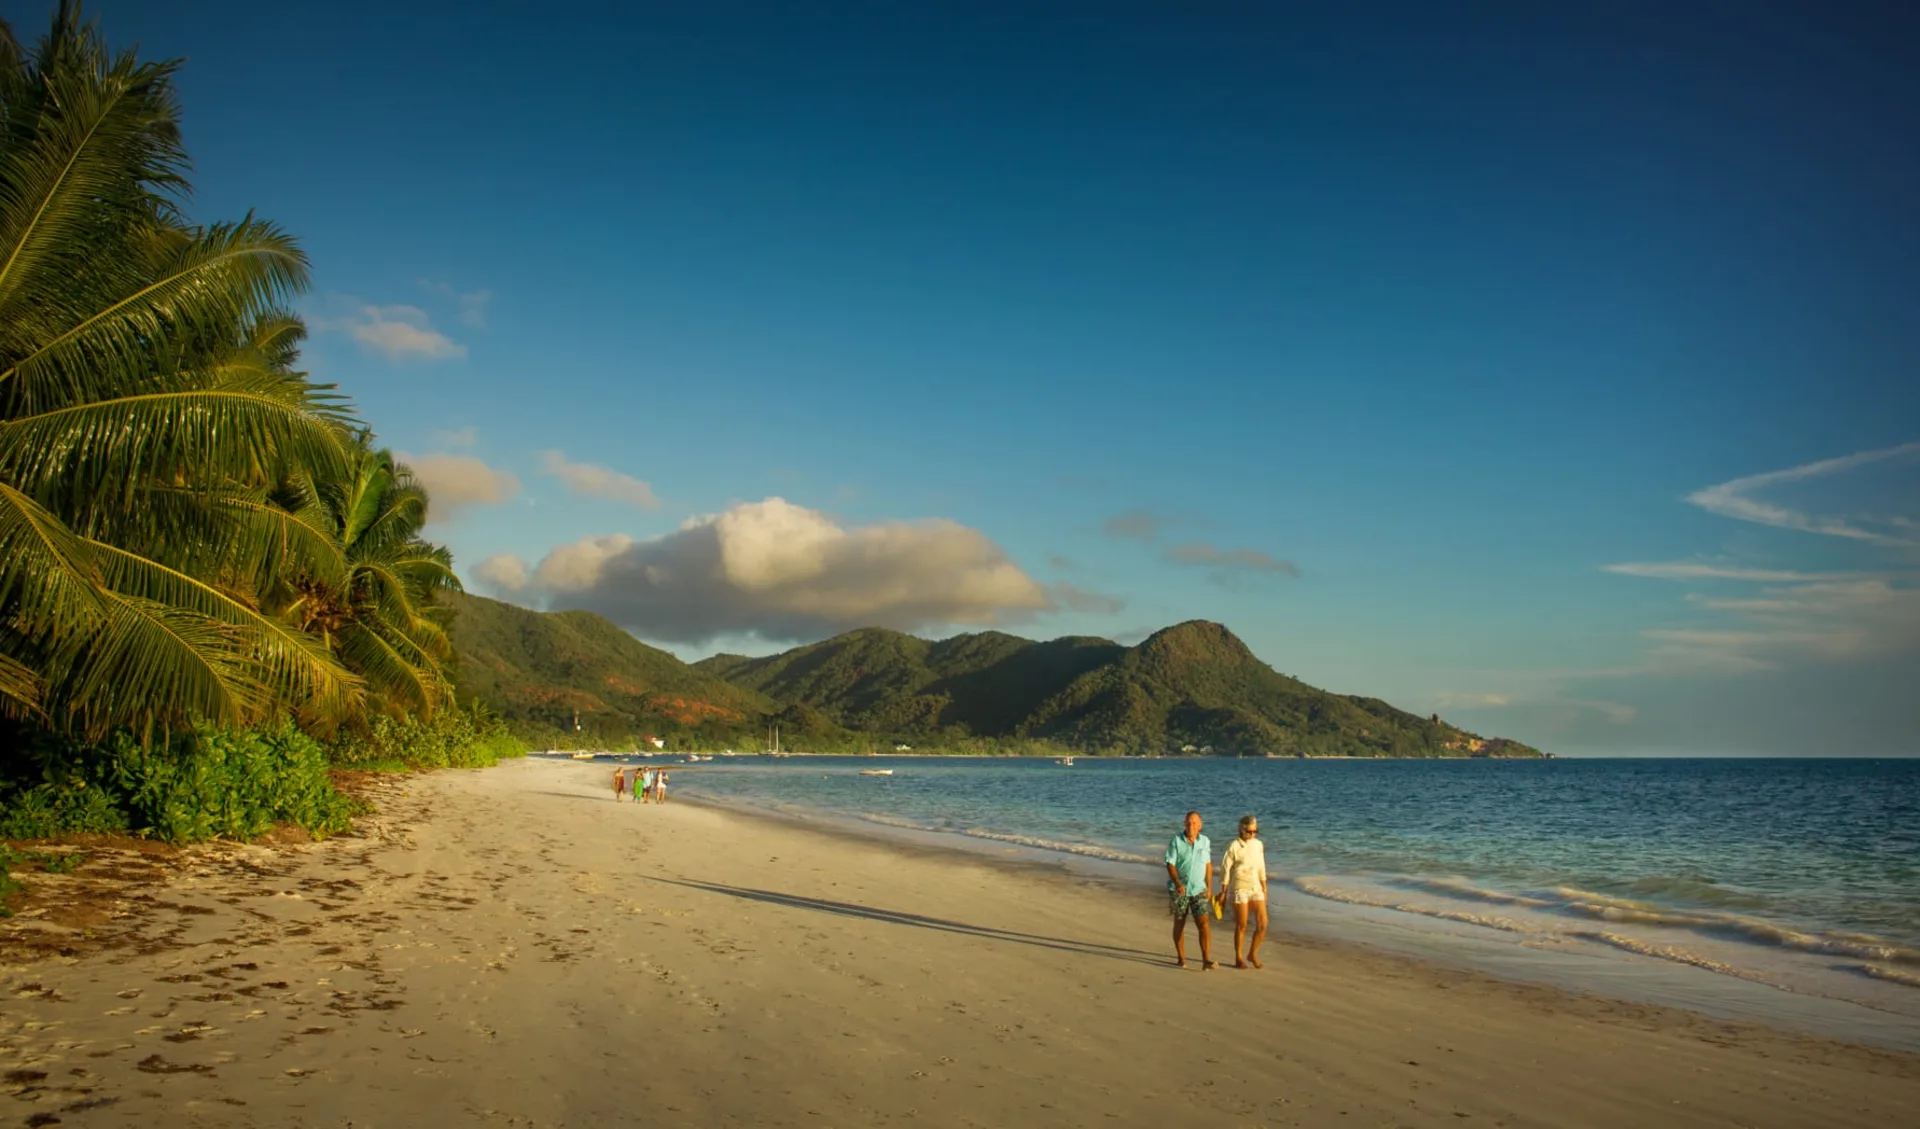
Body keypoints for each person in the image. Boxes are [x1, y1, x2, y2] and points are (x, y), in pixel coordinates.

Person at [1163, 810, 1216, 969]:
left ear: (1200, 825)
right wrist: (1178, 883)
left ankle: (1206, 960)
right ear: (1184, 824)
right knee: (1180, 922)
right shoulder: (1176, 841)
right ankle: (1181, 958)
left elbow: (1208, 865)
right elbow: (1170, 863)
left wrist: (1209, 887)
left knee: (1204, 923)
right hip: (1180, 889)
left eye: (1194, 823)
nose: (1190, 826)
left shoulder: (1205, 841)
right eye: (1188, 823)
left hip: (1199, 888)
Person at [1218, 814, 1269, 969]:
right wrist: (1223, 891)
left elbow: (1261, 865)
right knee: (1242, 924)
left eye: (1255, 831)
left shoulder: (1258, 844)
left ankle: (1252, 953)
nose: (1252, 834)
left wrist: (1264, 885)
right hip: (1239, 885)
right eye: (1249, 831)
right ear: (1242, 830)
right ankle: (1238, 957)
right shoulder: (1234, 846)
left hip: (1255, 886)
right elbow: (1225, 868)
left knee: (1263, 924)